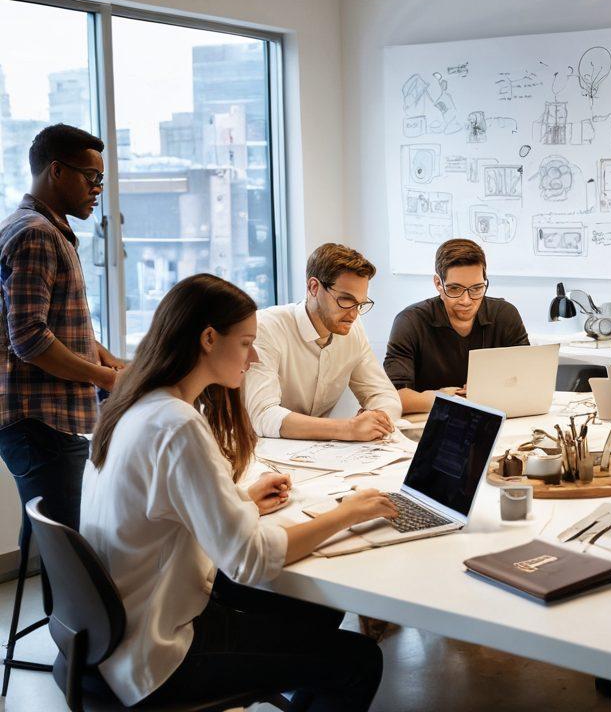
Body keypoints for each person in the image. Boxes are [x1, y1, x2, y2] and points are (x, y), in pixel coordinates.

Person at [82, 273, 395, 710]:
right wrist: (348, 513)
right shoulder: (178, 425)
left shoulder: (137, 406)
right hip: (160, 648)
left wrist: (241, 499)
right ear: (209, 338)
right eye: (247, 344)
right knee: (358, 660)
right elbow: (247, 559)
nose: (251, 359)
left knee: (320, 611)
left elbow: (162, 509)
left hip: (120, 629)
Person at [0, 125, 124, 539]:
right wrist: (103, 376)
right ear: (56, 171)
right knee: (74, 550)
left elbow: (55, 325)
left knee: (66, 542)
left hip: (44, 424)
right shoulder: (36, 234)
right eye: (92, 178)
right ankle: (68, 609)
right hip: (40, 425)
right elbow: (31, 339)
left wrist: (106, 358)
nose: (98, 189)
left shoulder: (39, 228)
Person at [245, 242, 402, 440]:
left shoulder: (353, 328)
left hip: (317, 456)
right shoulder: (267, 327)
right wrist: (348, 429)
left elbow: (385, 396)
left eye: (360, 303)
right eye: (345, 300)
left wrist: (377, 418)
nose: (354, 314)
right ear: (313, 287)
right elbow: (263, 415)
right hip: (259, 453)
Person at [385, 238, 529, 414]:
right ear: (438, 284)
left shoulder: (505, 315)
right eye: (454, 289)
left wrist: (490, 391)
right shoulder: (410, 321)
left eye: (476, 288)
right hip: (429, 421)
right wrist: (441, 399)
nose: (466, 300)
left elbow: (526, 378)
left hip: (494, 416)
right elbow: (390, 396)